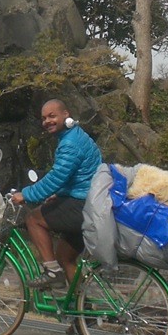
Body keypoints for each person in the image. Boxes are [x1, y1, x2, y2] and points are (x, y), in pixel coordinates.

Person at [10, 99, 101, 288]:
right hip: (89, 202)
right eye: (44, 118)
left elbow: (56, 177)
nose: (47, 121)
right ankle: (83, 310)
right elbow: (77, 176)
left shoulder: (69, 144)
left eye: (52, 116)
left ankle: (51, 271)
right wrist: (60, 194)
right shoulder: (76, 134)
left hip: (82, 204)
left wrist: (25, 195)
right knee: (65, 258)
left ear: (65, 114)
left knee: (33, 219)